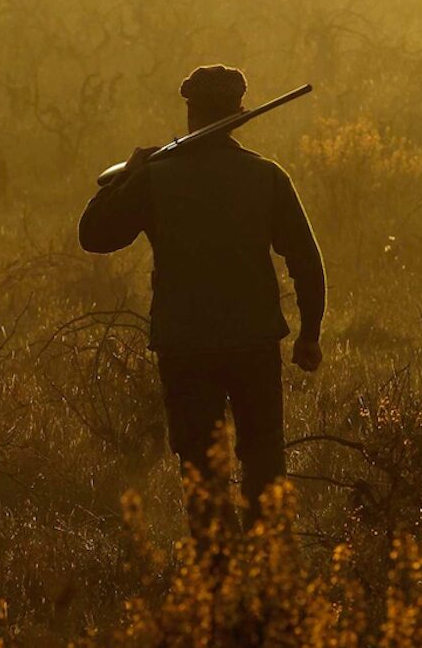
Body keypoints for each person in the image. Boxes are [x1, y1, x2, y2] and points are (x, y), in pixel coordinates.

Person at [78, 65, 326, 533]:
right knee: (264, 462)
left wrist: (129, 176)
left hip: (185, 346)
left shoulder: (154, 179)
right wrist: (309, 335)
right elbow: (307, 261)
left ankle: (216, 578)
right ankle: (268, 570)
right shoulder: (266, 176)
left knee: (201, 471)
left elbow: (93, 235)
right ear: (238, 113)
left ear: (191, 113)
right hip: (253, 344)